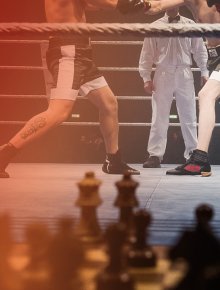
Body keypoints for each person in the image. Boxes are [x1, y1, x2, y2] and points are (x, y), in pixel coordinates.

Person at [0, 0, 154, 178]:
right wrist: (126, 3)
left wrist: (129, 4)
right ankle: (5, 152)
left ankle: (113, 161)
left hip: (80, 53)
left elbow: (91, 6)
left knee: (108, 104)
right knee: (58, 112)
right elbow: (107, 3)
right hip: (69, 52)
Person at [144, 0, 220, 176]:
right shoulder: (192, 1)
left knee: (205, 96)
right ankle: (197, 159)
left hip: (190, 69)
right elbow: (157, 6)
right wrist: (140, 4)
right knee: (204, 96)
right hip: (213, 57)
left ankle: (199, 158)